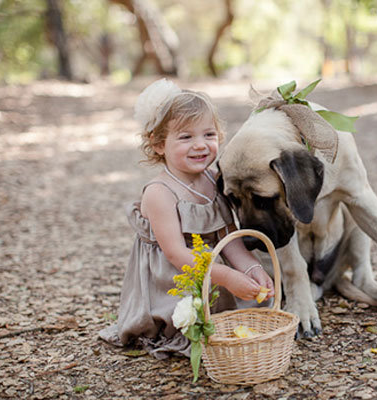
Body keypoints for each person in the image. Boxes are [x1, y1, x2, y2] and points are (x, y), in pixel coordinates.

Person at [99, 79, 274, 359]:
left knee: (256, 299)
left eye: (208, 134)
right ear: (158, 144)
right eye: (185, 137)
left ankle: (225, 302)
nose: (200, 145)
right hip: (173, 279)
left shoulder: (214, 179)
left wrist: (250, 268)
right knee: (190, 322)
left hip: (211, 270)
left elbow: (228, 239)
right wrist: (228, 277)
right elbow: (177, 254)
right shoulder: (160, 193)